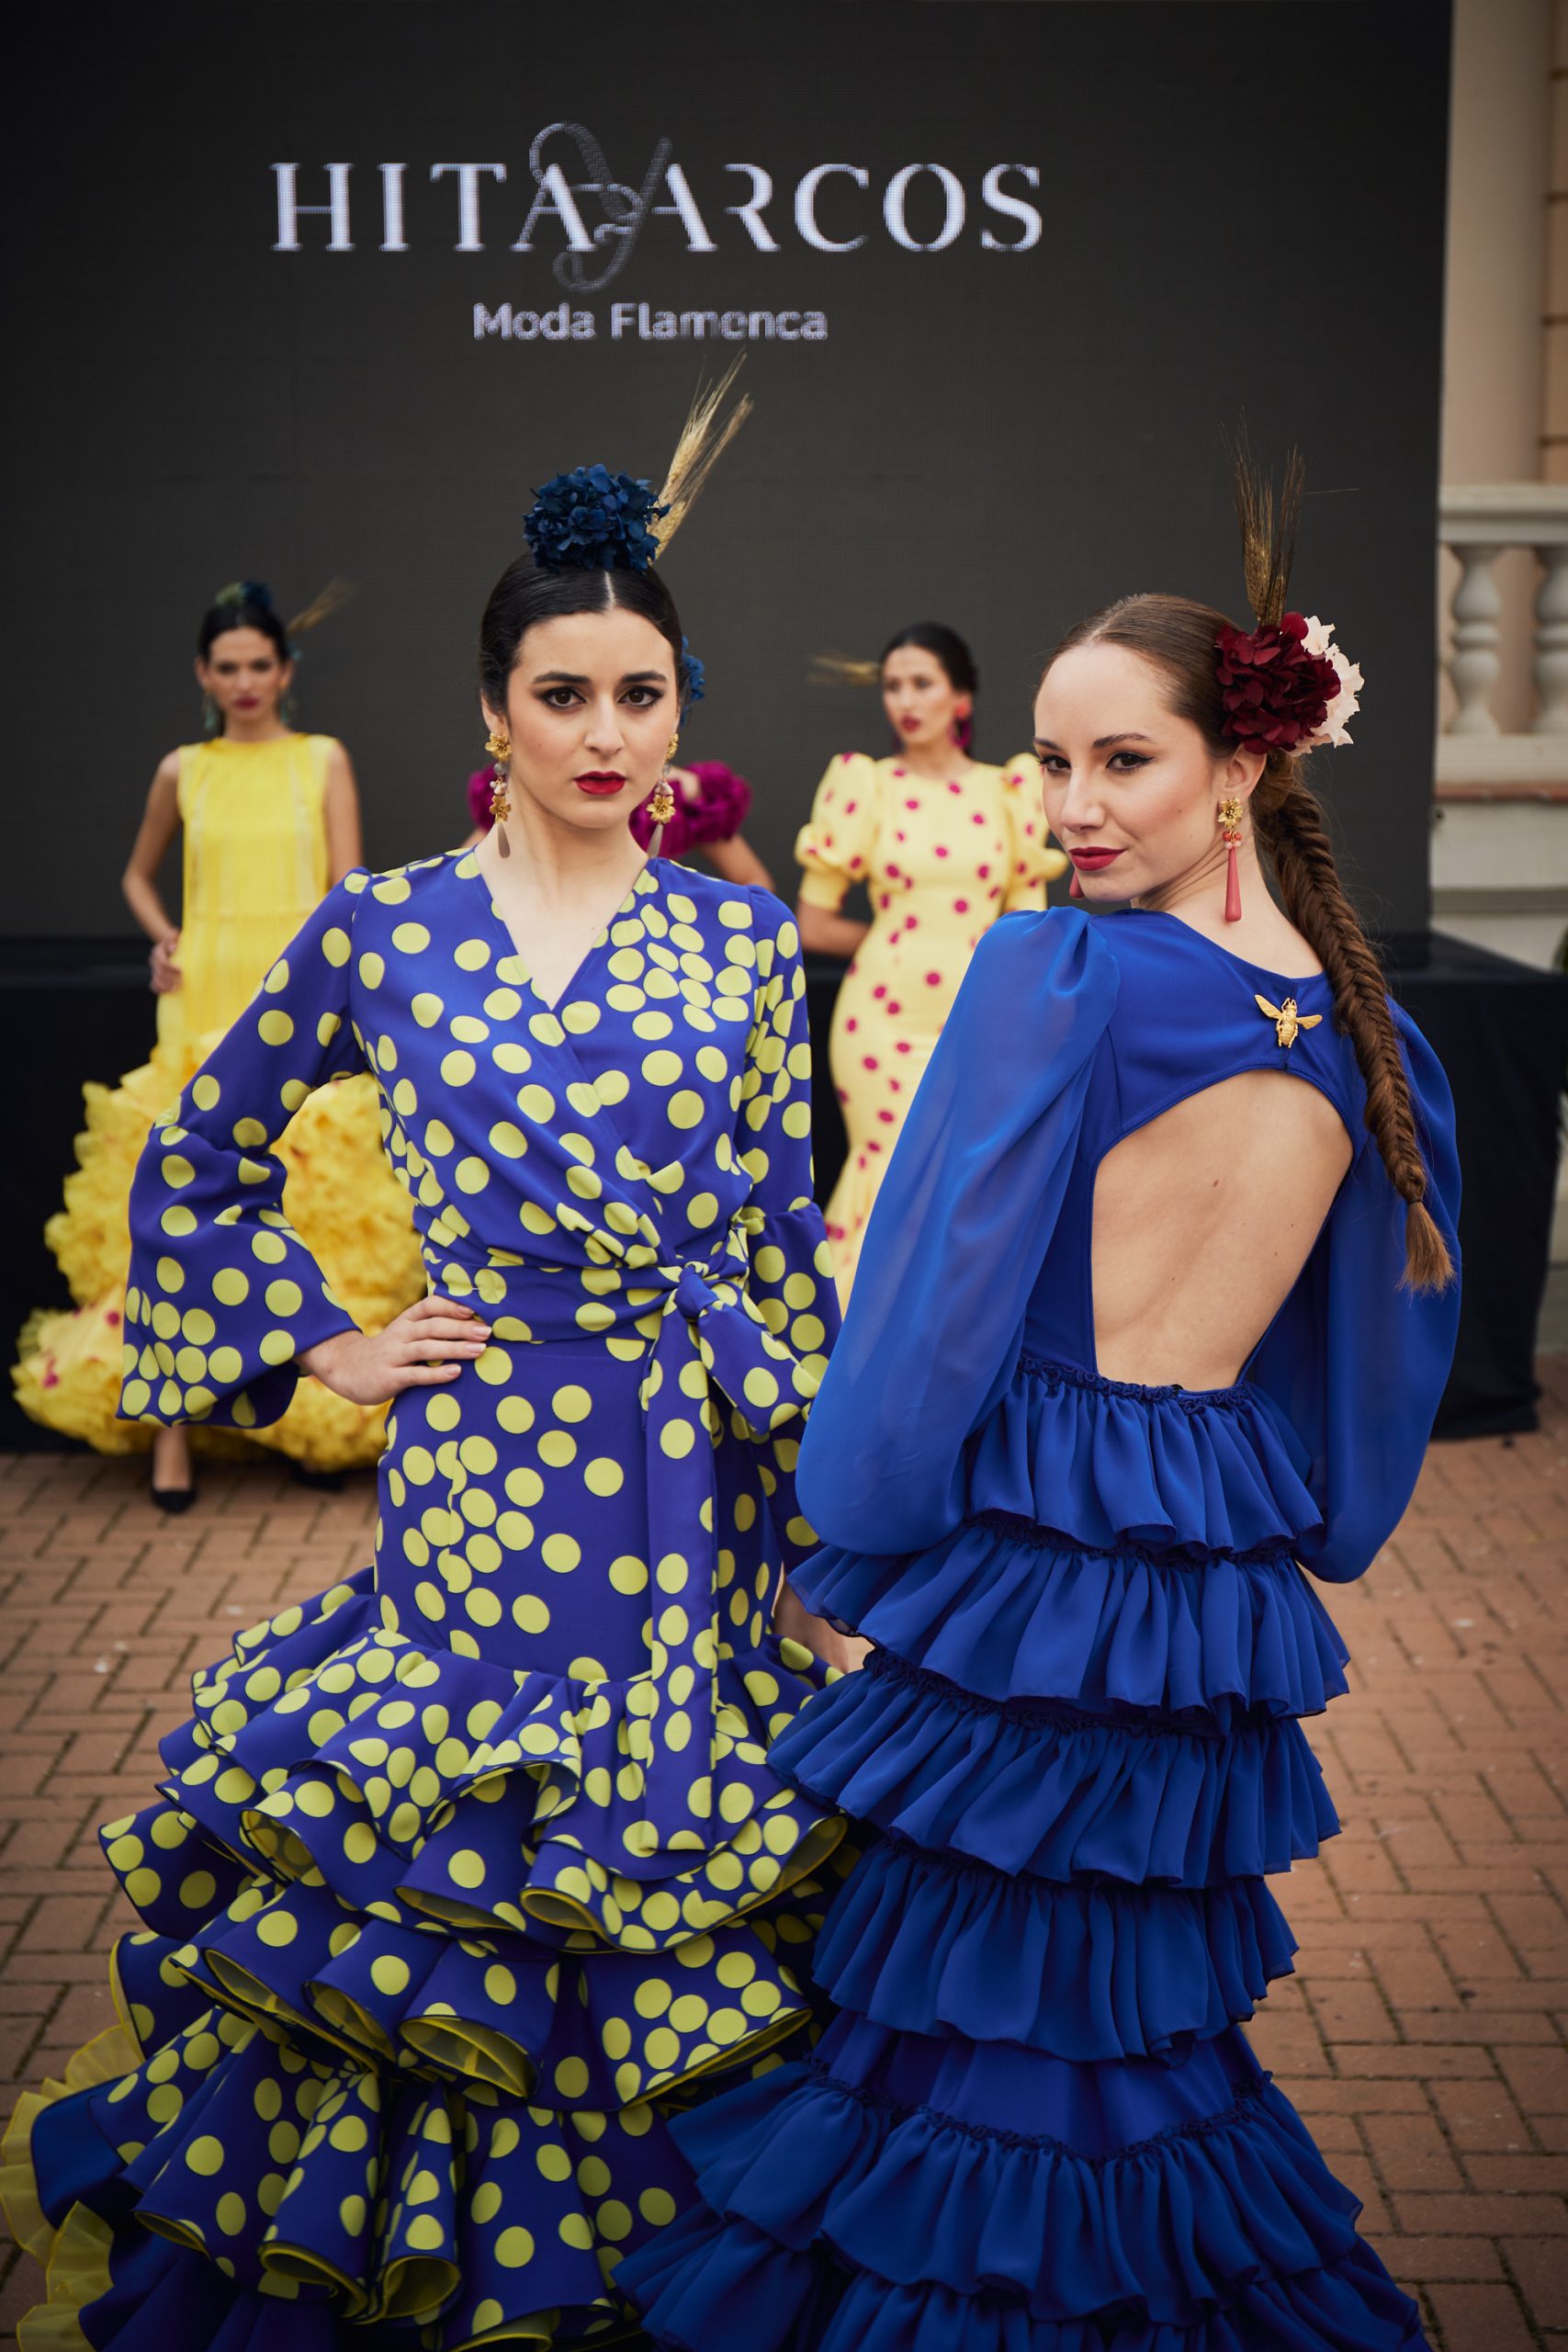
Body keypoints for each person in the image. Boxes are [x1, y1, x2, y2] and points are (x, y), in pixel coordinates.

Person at [1, 406, 858, 2349]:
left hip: (683, 1475)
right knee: (470, 1860)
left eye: (642, 692)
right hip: (477, 1468)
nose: (606, 732)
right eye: (564, 691)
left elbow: (768, 1241)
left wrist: (813, 1528)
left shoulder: (736, 942)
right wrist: (326, 1337)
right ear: (493, 707)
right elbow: (195, 1144)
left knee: (675, 1841)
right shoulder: (384, 927)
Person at [623, 469, 1460, 2349]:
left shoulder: (1050, 968)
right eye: (1048, 762)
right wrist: (1299, 1512)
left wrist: (853, 1525)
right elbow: (1387, 1344)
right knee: (1134, 2003)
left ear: (1236, 767)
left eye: (1122, 762)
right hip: (1202, 1569)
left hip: (1022, 1535)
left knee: (969, 1995)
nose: (1070, 806)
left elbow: (931, 1294)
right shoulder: (1366, 1027)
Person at [13, 581, 423, 1504]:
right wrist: (164, 935)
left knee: (313, 1206)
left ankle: (315, 1425)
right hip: (201, 1005)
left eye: (260, 665)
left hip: (296, 1000)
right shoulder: (181, 770)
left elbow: (348, 885)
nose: (245, 682)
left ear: (286, 670)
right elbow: (134, 873)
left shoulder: (322, 759)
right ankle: (172, 1438)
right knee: (176, 1215)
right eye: (228, 667)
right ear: (205, 674)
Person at [795, 626, 1066, 1300]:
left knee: (966, 1175)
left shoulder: (1009, 791)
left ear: (961, 695)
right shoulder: (866, 785)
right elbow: (812, 923)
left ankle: (943, 1356)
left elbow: (1027, 928)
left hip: (979, 1014)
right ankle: (848, 1348)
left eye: (921, 683)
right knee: (884, 1168)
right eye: (892, 686)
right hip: (879, 1021)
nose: (904, 700)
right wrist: (903, 939)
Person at [467, 748, 775, 890]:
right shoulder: (526, 790)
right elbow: (467, 874)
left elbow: (754, 882)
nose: (607, 738)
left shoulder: (684, 793)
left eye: (637, 698)